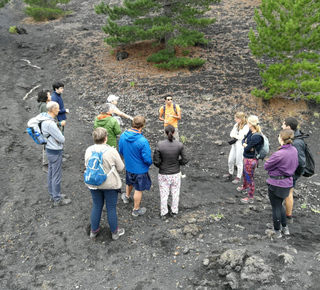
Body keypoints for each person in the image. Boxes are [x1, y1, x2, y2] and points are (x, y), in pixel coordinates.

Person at [85, 127, 125, 240]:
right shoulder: (111, 151)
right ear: (105, 138)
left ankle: (94, 231)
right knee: (111, 208)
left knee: (97, 206)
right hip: (110, 184)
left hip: (93, 183)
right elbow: (121, 168)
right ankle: (115, 232)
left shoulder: (89, 150)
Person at [264, 129, 298, 238]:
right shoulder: (294, 150)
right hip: (287, 183)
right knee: (280, 205)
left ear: (281, 139)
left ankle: (277, 231)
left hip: (276, 183)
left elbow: (266, 166)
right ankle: (285, 228)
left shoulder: (279, 154)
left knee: (276, 207)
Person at [119, 115, 152, 216]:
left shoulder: (123, 136)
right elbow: (147, 158)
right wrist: (149, 163)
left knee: (129, 182)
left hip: (129, 166)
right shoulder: (143, 141)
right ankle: (136, 210)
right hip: (140, 170)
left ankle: (126, 197)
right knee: (138, 189)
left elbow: (120, 150)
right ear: (142, 126)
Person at [153, 125, 189, 219]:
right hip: (175, 173)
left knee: (164, 194)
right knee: (175, 193)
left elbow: (156, 161)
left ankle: (164, 213)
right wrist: (177, 163)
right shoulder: (179, 145)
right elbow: (185, 159)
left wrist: (162, 166)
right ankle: (174, 212)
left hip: (163, 173)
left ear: (165, 132)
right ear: (174, 133)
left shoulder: (160, 145)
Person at [40, 101, 71, 206]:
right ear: (53, 110)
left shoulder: (44, 119)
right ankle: (57, 199)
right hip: (55, 151)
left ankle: (52, 195)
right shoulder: (50, 123)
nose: (59, 110)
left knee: (51, 173)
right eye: (57, 108)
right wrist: (59, 137)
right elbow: (62, 139)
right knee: (56, 175)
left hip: (49, 149)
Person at [281, 117, 307, 223]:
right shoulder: (294, 137)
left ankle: (288, 216)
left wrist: (296, 173)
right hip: (289, 171)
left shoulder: (296, 142)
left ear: (288, 127)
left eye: (283, 124)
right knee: (287, 192)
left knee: (289, 193)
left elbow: (301, 162)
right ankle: (286, 213)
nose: (281, 126)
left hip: (291, 172)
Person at [237, 115, 263, 204]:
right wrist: (245, 144)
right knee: (245, 174)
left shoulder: (256, 136)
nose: (247, 124)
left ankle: (250, 197)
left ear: (251, 124)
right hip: (246, 157)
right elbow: (243, 140)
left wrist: (246, 145)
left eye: (248, 122)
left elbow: (247, 148)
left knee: (249, 178)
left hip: (251, 160)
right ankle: (244, 187)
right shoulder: (250, 132)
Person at [223, 112, 249, 184]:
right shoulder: (236, 125)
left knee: (239, 161)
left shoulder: (246, 126)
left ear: (240, 119)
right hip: (234, 144)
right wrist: (236, 136)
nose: (235, 119)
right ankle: (230, 172)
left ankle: (238, 176)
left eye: (237, 118)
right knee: (230, 160)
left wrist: (236, 136)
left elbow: (241, 137)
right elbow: (231, 134)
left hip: (241, 145)